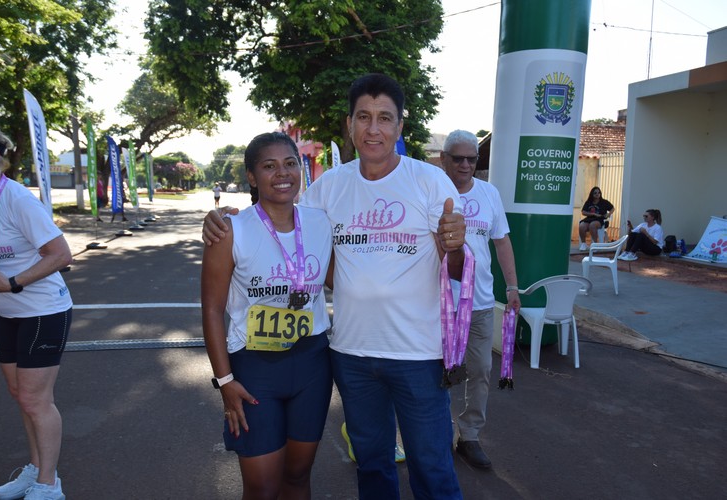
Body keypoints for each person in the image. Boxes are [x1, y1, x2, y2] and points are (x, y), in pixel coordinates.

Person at [203, 73, 467, 499]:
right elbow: (282, 222)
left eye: (385, 118)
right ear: (350, 125)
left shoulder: (429, 181)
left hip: (418, 354)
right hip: (351, 354)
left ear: (400, 126)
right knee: (373, 463)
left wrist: (456, 246)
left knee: (432, 465)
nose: (374, 128)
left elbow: (455, 269)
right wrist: (227, 218)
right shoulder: (328, 187)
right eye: (364, 117)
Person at [201, 132, 333, 499]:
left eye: (290, 163)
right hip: (256, 369)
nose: (282, 173)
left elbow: (340, 278)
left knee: (298, 476)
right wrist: (224, 381)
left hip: (312, 363)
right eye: (269, 166)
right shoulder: (231, 230)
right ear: (251, 176)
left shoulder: (321, 222)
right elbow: (211, 309)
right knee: (261, 486)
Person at [0, 118, 73, 500]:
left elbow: (61, 254)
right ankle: (36, 468)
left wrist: (13, 282)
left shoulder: (15, 198)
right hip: (6, 311)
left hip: (42, 310)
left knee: (36, 399)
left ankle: (50, 485)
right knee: (21, 396)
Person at [440, 130, 521, 470]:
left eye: (471, 159)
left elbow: (501, 243)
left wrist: (513, 288)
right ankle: (439, 435)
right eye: (457, 158)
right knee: (438, 373)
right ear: (444, 159)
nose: (465, 164)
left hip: (481, 303)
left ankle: (469, 437)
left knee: (482, 370)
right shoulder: (432, 191)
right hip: (439, 304)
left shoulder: (489, 194)